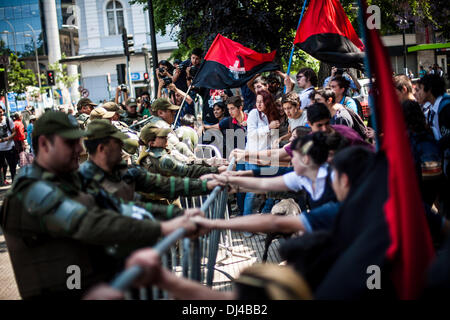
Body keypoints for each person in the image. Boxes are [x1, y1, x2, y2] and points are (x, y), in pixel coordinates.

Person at [0, 111, 201, 300]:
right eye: (70, 143)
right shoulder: (31, 191)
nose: (79, 149)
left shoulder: (66, 181)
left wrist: (175, 215)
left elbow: (117, 207)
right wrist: (163, 227)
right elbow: (89, 223)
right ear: (44, 144)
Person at [81, 119, 220, 219]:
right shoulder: (86, 183)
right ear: (101, 149)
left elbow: (164, 185)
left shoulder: (127, 172)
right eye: (117, 144)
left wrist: (207, 185)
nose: (122, 150)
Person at [137, 123, 225, 178]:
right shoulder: (157, 160)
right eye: (162, 137)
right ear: (151, 143)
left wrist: (208, 161)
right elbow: (187, 170)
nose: (166, 137)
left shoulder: (158, 151)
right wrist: (215, 170)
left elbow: (186, 161)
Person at [0, 108, 17, 184]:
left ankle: (14, 180)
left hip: (9, 147)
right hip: (0, 149)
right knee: (3, 166)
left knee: (12, 165)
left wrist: (7, 139)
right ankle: (2, 180)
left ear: (3, 112)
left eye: (0, 112)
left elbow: (14, 132)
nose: (0, 114)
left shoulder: (7, 120)